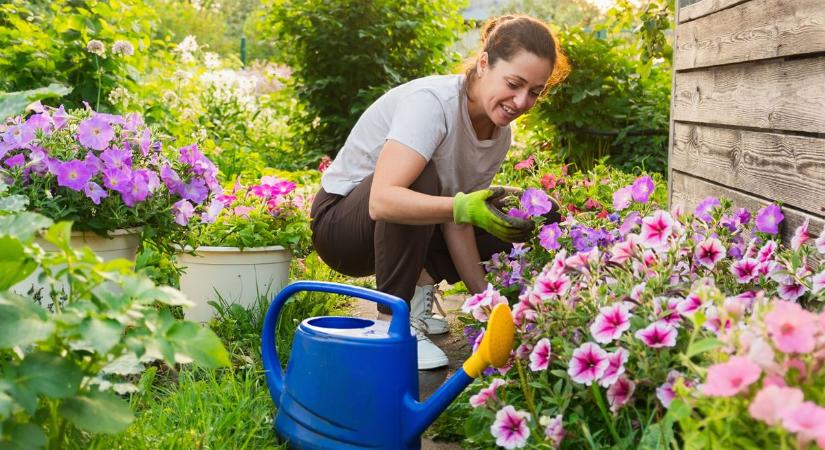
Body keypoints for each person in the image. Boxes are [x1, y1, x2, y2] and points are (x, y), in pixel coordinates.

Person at [310, 14, 570, 369]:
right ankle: (393, 326)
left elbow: (457, 217)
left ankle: (417, 292)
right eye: (514, 83)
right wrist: (462, 207)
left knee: (528, 211)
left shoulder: (498, 133)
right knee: (422, 178)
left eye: (535, 92)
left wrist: (488, 305)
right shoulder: (433, 103)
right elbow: (383, 200)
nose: (522, 101)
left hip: (395, 234)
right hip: (341, 228)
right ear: (483, 64)